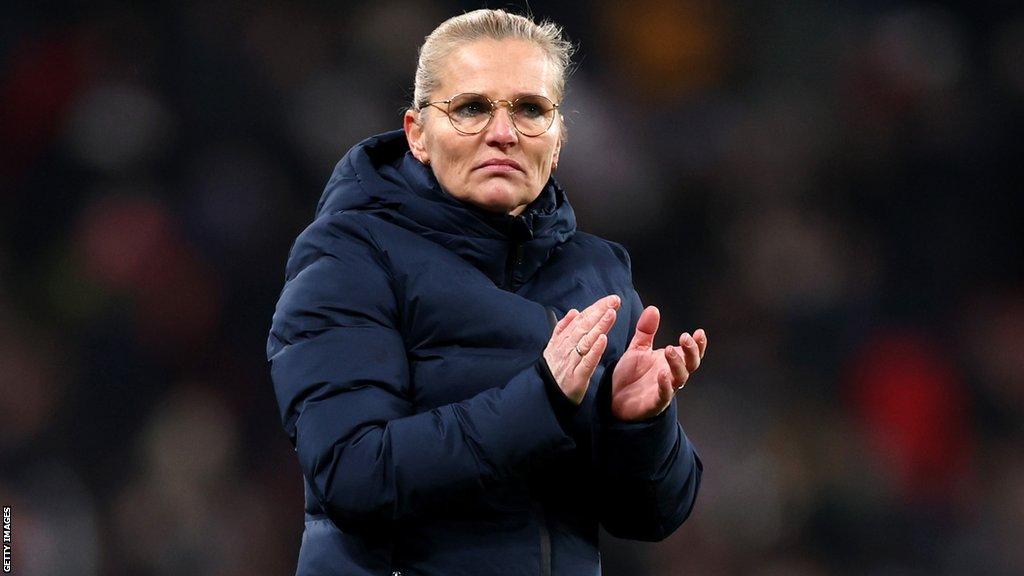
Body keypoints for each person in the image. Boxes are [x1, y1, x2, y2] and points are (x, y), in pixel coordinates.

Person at [267, 9, 707, 575]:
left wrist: (639, 425)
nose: (503, 133)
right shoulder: (349, 257)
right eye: (472, 108)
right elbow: (354, 475)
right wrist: (542, 399)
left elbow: (650, 518)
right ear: (417, 134)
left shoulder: (598, 274)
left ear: (559, 137)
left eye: (529, 109)